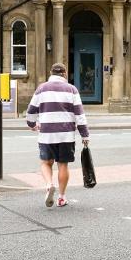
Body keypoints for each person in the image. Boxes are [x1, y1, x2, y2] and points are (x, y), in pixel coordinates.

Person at [26, 62, 90, 209]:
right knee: (63, 165)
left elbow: (31, 112)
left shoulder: (41, 89)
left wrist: (32, 125)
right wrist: (84, 135)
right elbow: (79, 115)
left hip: (46, 134)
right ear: (65, 73)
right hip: (66, 135)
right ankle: (61, 197)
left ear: (51, 72)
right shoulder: (72, 90)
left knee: (46, 163)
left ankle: (49, 185)